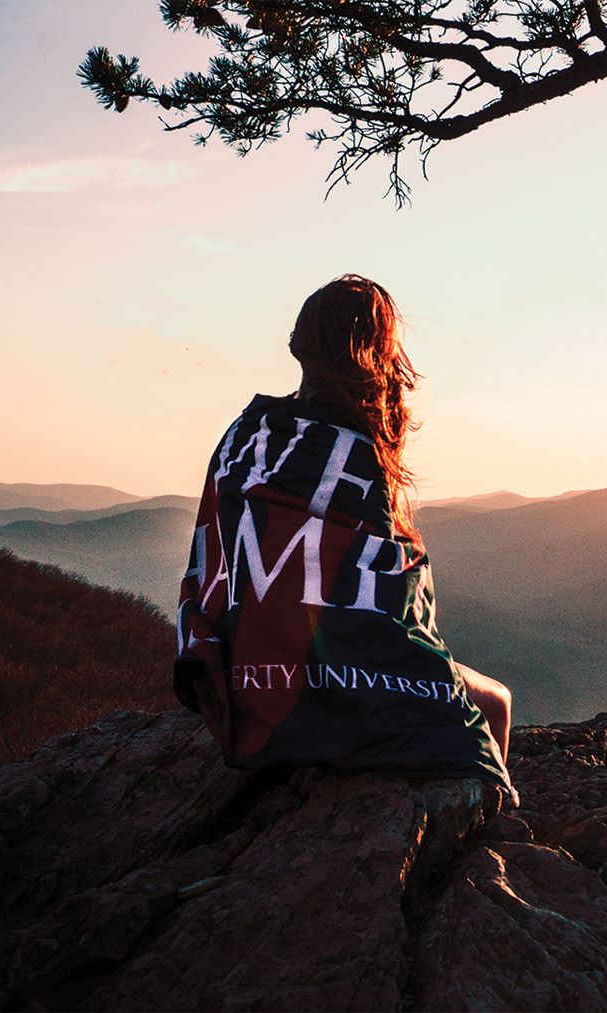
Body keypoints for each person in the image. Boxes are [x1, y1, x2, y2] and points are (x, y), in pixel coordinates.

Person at [173, 274, 515, 801]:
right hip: (320, 686)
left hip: (239, 676)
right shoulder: (357, 451)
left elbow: (213, 552)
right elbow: (393, 605)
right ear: (377, 353)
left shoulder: (245, 433)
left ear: (299, 343)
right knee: (494, 704)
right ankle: (493, 833)